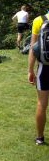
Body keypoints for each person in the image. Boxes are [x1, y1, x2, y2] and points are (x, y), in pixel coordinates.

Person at [28, 11, 49, 145]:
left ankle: (40, 138)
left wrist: (30, 70)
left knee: (41, 103)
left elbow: (33, 48)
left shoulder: (39, 20)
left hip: (44, 67)